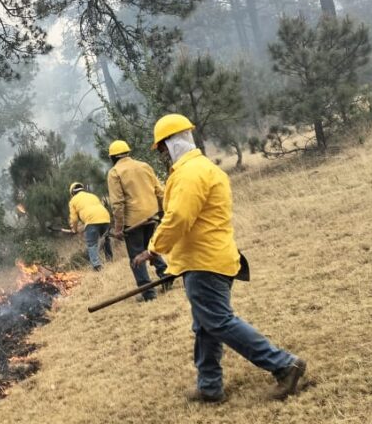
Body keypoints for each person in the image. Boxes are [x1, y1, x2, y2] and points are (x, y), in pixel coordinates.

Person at [133, 114, 307, 402]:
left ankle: (283, 364)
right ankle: (210, 385)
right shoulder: (204, 169)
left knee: (219, 322)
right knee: (205, 325)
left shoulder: (189, 174)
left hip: (204, 263)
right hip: (214, 258)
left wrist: (154, 248)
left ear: (170, 144)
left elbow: (178, 218)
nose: (162, 156)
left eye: (162, 149)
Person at [106, 139, 171, 301]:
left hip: (133, 221)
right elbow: (160, 191)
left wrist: (119, 228)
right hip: (151, 215)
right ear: (128, 153)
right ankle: (165, 277)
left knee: (136, 257)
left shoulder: (114, 173)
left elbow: (118, 203)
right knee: (150, 248)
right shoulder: (144, 166)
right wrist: (163, 212)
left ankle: (148, 293)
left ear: (112, 158)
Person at [67, 182, 113, 272]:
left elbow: (74, 219)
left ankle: (97, 266)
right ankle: (110, 260)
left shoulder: (73, 201)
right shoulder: (92, 195)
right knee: (106, 240)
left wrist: (74, 229)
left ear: (72, 193)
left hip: (91, 220)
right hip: (105, 217)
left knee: (92, 244)